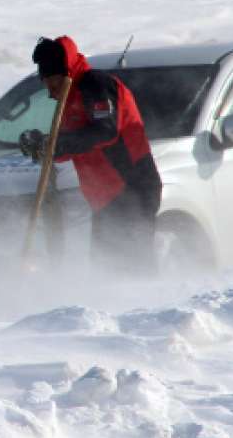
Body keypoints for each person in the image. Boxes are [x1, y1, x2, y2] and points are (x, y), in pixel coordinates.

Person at [19, 36, 163, 274]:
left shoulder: (96, 85)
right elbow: (71, 144)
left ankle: (148, 305)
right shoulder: (70, 97)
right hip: (105, 198)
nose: (50, 93)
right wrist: (43, 145)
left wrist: (57, 144)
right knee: (106, 268)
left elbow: (105, 131)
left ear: (63, 73)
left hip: (131, 187)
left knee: (133, 267)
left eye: (51, 84)